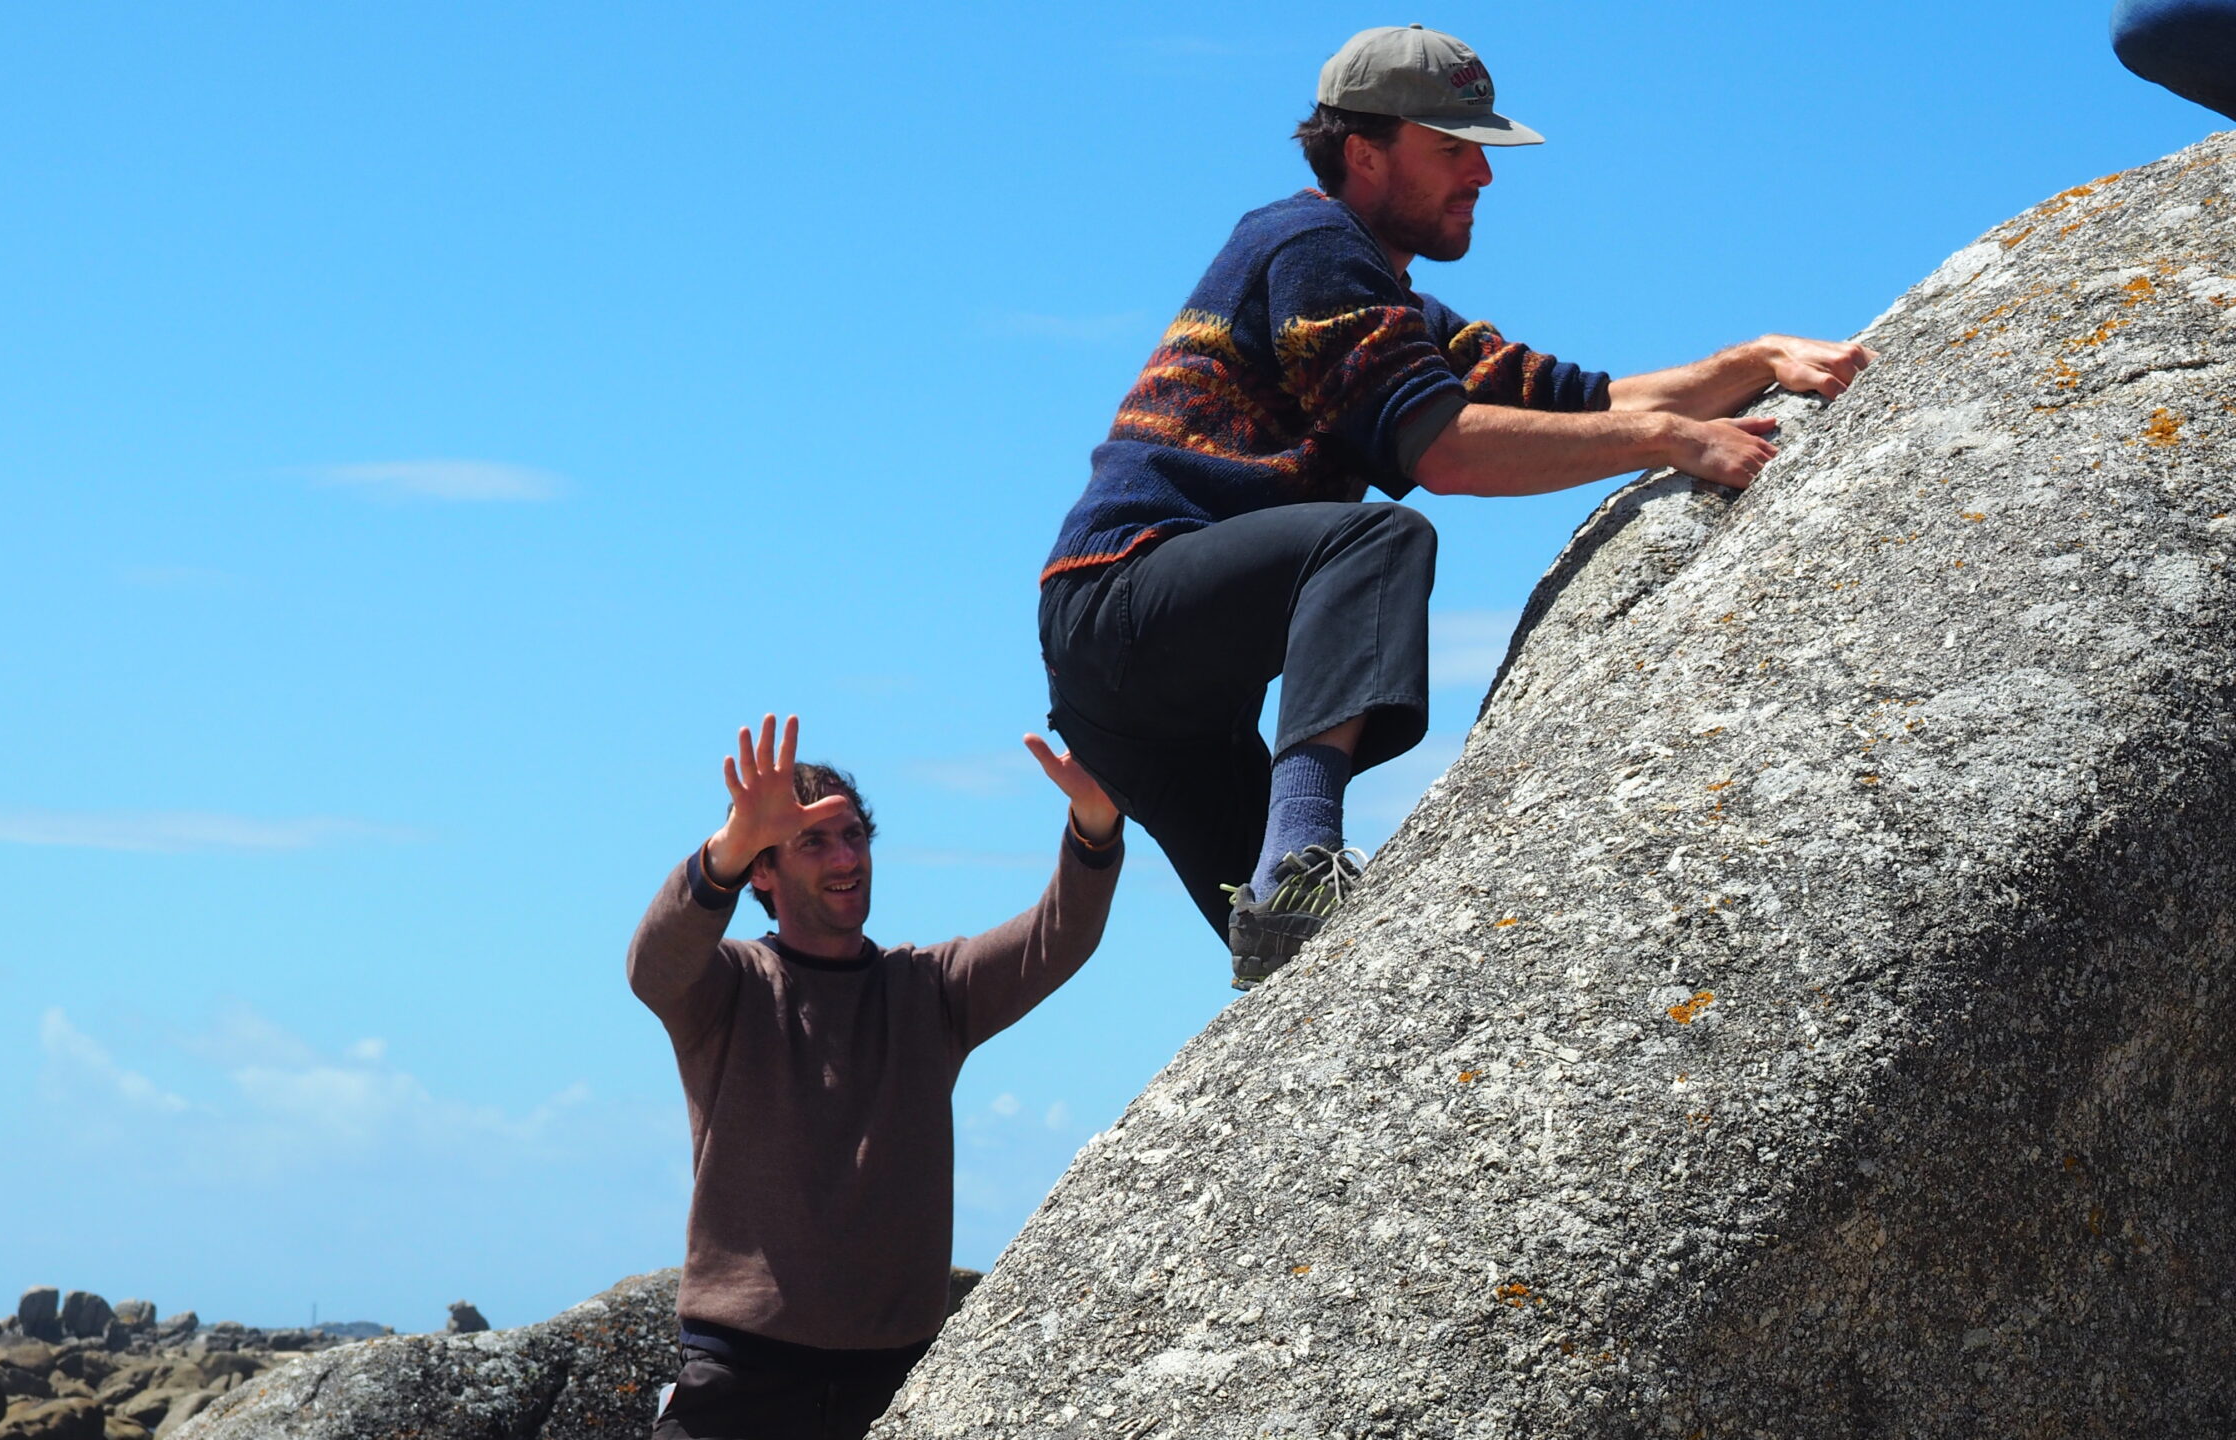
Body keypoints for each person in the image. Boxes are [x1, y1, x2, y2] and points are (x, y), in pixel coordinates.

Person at [1037, 23, 1877, 990]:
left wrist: (1755, 360)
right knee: (1374, 540)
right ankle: (1302, 851)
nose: (1483, 173)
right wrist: (1669, 441)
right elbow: (1445, 451)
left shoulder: (1389, 300)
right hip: (1124, 595)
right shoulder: (1311, 245)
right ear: (1365, 153)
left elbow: (1581, 402)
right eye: (1452, 149)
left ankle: (1290, 889)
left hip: (1149, 696)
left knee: (1307, 972)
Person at [629, 714, 1123, 1440]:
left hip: (894, 1379)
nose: (846, 857)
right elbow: (654, 965)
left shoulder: (929, 988)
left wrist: (1095, 825)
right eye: (813, 841)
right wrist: (724, 852)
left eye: (854, 835)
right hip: (739, 1372)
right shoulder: (729, 984)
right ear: (762, 871)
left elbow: (1058, 936)